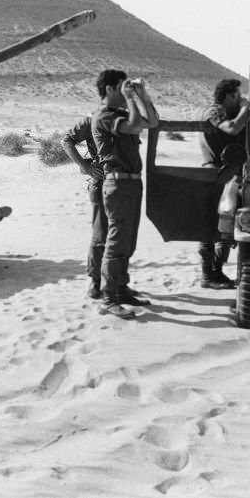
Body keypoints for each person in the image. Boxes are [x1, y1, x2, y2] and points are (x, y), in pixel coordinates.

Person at [91, 69, 160, 318]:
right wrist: (131, 98)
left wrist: (142, 96)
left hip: (131, 183)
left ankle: (121, 288)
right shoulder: (104, 116)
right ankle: (108, 298)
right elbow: (133, 126)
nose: (124, 90)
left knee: (128, 241)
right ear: (109, 89)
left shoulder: (119, 112)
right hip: (118, 184)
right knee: (116, 241)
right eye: (120, 86)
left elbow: (152, 122)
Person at [198, 78, 250, 289]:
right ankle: (208, 274)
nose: (240, 100)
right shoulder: (215, 112)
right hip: (216, 174)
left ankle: (217, 270)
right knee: (210, 227)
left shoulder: (232, 113)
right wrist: (246, 108)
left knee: (226, 226)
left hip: (230, 175)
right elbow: (231, 129)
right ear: (229, 96)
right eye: (238, 96)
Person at [61, 115, 106, 300]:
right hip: (102, 183)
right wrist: (85, 167)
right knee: (100, 235)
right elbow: (67, 141)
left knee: (120, 236)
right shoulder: (93, 120)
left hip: (123, 185)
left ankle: (118, 282)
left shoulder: (125, 118)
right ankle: (95, 282)